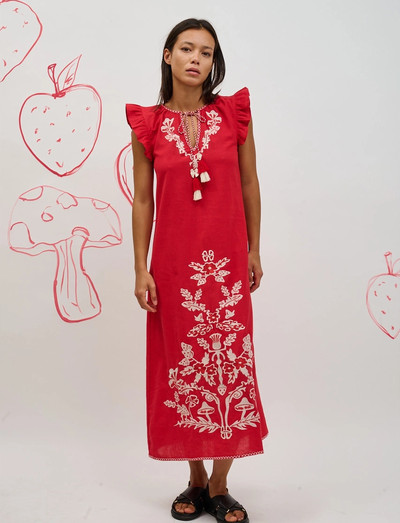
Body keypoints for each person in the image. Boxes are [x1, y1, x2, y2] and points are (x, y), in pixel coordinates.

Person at [126, 18, 268, 523]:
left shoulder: (233, 115)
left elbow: (249, 184)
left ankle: (222, 484)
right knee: (180, 366)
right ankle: (195, 479)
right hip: (172, 265)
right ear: (168, 55)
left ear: (213, 63)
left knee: (230, 364)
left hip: (226, 263)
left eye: (206, 53)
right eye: (187, 49)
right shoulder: (148, 125)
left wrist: (254, 249)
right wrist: (140, 267)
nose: (196, 59)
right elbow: (143, 200)